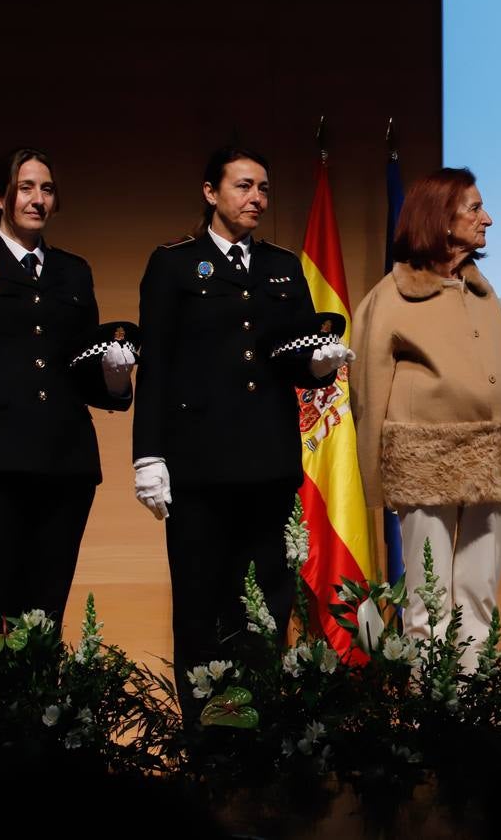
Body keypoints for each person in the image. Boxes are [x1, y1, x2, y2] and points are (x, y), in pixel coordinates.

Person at [132, 146, 351, 707]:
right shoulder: (175, 263)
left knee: (267, 608)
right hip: (200, 466)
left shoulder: (281, 265)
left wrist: (320, 364)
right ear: (211, 192)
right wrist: (147, 455)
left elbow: (297, 349)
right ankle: (209, 744)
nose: (257, 199)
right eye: (244, 186)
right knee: (204, 607)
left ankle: (261, 730)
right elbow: (154, 364)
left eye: (264, 190)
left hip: (268, 462)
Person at [0, 148, 134, 660]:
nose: (38, 199)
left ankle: (44, 733)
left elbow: (86, 374)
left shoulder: (73, 272)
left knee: (45, 613)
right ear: (0, 197)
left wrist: (116, 378)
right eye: (26, 187)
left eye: (47, 189)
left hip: (63, 463)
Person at [351, 167, 501, 664]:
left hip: (492, 457)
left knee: (479, 594)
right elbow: (366, 393)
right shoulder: (390, 298)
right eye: (474, 208)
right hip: (424, 460)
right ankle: (431, 715)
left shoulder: (481, 292)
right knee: (428, 602)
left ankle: (469, 707)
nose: (486, 218)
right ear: (440, 219)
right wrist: (375, 482)